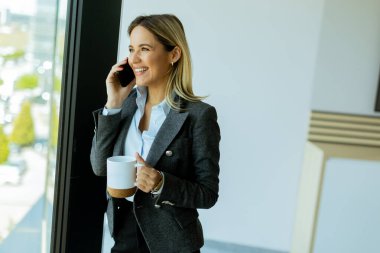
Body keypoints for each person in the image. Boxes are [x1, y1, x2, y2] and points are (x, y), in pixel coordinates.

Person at [90, 14, 220, 253]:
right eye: (131, 49)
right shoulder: (126, 105)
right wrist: (113, 104)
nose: (134, 59)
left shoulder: (199, 115)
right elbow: (100, 167)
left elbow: (208, 194)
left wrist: (162, 183)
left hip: (172, 243)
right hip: (124, 233)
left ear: (174, 54)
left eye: (145, 49)